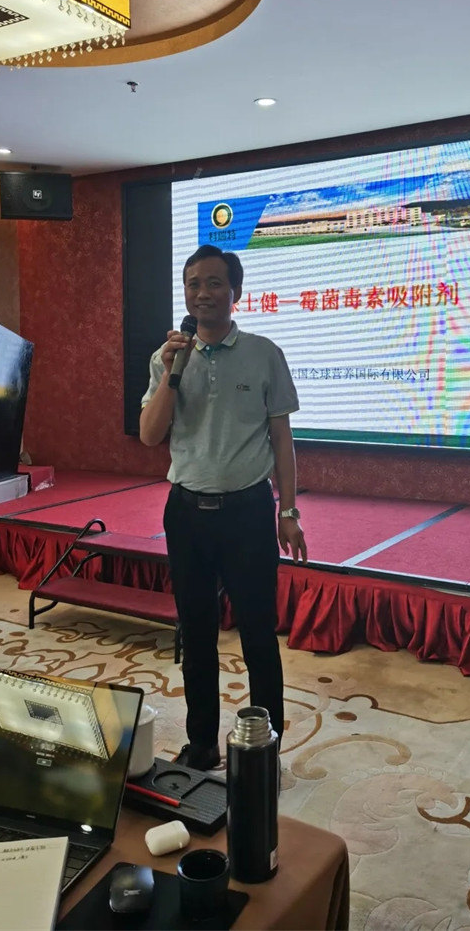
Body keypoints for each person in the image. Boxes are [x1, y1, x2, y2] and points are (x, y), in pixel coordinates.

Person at [139, 244, 307, 770]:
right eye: (193, 284)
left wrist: (288, 512)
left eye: (214, 282)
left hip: (247, 514)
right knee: (196, 635)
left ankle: (263, 750)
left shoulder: (264, 353)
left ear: (236, 291)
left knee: (258, 636)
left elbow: (282, 439)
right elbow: (150, 435)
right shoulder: (166, 357)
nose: (202, 293)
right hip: (186, 513)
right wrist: (173, 371)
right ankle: (202, 744)